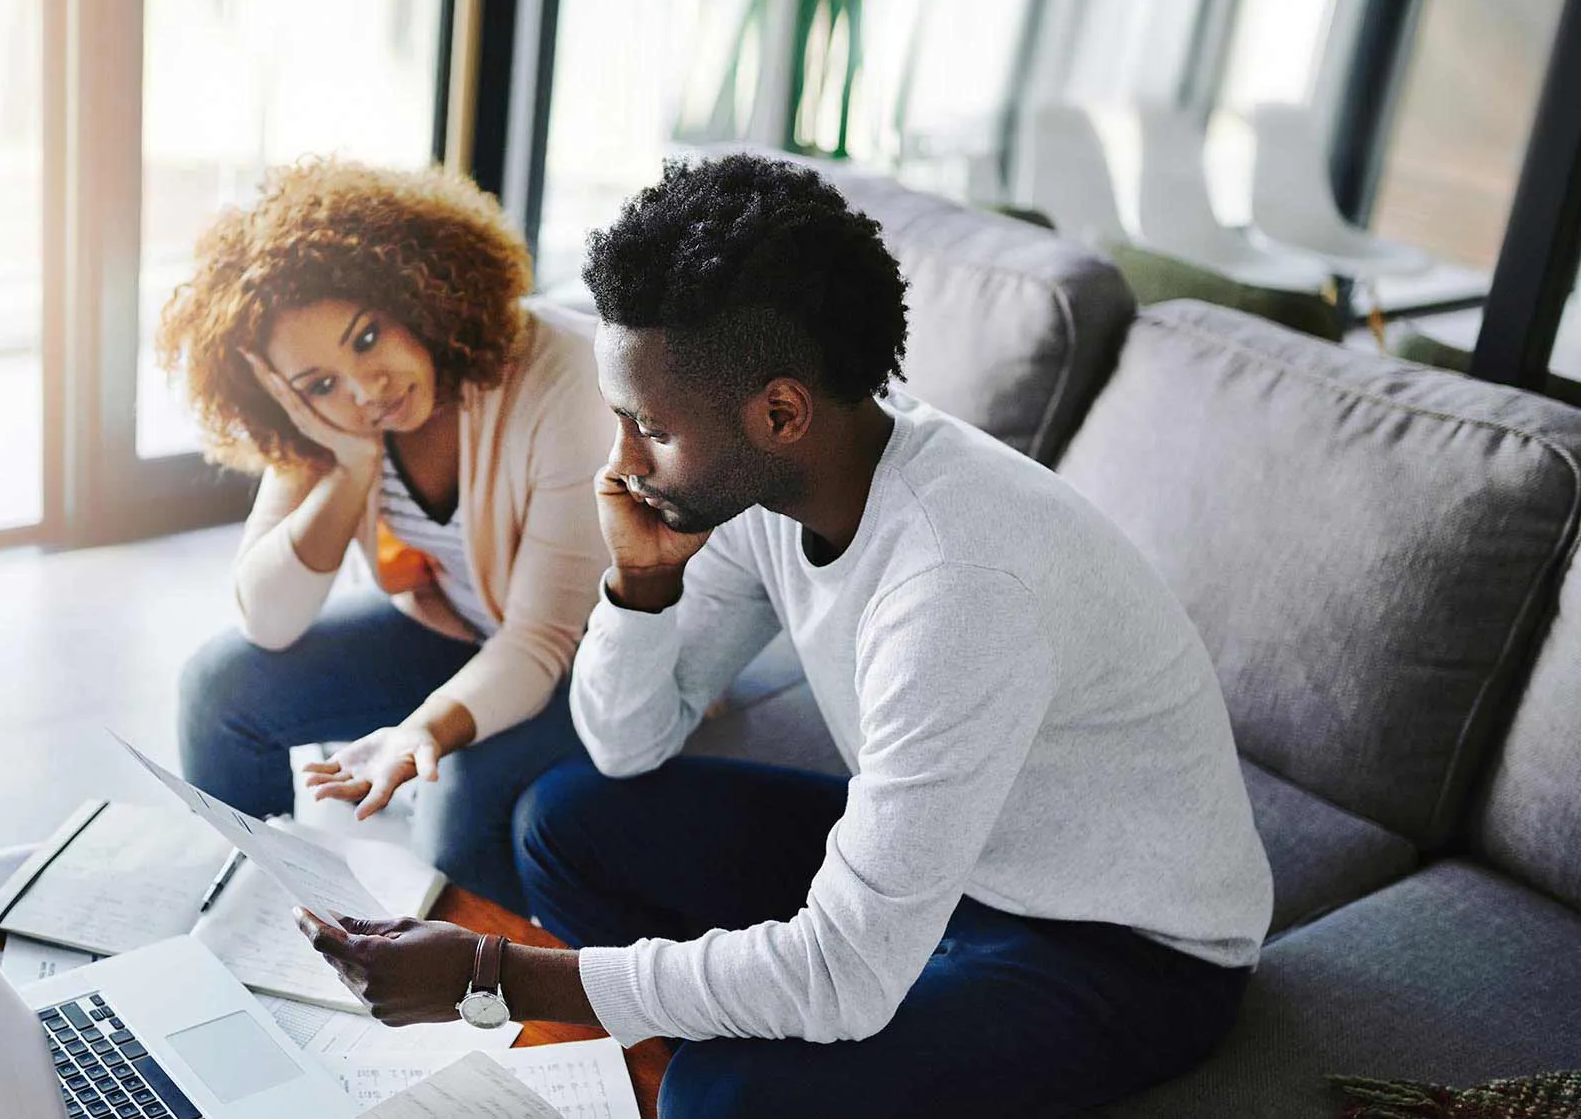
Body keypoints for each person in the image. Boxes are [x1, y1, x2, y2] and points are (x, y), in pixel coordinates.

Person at [291, 154, 1275, 1116]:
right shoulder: (774, 481)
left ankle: (771, 1056)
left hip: (1119, 946)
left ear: (778, 411)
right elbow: (627, 743)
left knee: (719, 1096)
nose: (620, 459)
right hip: (958, 862)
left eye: (645, 426)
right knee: (566, 818)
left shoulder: (956, 587)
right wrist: (639, 582)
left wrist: (494, 974)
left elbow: (846, 970)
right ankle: (788, 1040)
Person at [159, 157, 613, 915]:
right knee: (220, 688)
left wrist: (417, 733)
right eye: (319, 384)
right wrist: (349, 466)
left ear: (418, 290)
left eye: (367, 337)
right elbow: (268, 619)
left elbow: (541, 644)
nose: (365, 390)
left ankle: (476, 1017)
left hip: (598, 666)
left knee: (455, 798)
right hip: (468, 633)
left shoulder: (561, 378)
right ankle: (252, 933)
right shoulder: (335, 428)